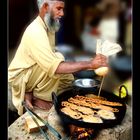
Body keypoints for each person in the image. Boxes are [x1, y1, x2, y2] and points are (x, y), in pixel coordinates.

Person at [8, 0, 108, 115]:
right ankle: (40, 98)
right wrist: (90, 64)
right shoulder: (36, 31)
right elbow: (54, 66)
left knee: (62, 69)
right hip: (20, 77)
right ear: (45, 7)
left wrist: (88, 63)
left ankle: (31, 92)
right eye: (59, 9)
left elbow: (50, 57)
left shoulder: (48, 26)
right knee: (57, 62)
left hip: (33, 70)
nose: (62, 13)